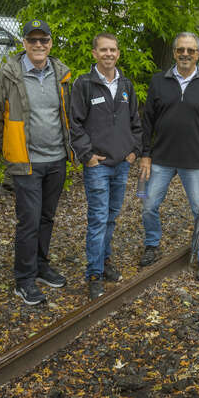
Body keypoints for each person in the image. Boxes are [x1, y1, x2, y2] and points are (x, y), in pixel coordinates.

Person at [0, 19, 72, 306]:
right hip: (26, 163)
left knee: (47, 217)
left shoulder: (60, 74)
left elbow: (67, 113)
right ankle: (24, 279)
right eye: (32, 40)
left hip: (57, 159)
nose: (38, 45)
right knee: (29, 221)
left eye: (43, 40)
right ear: (23, 43)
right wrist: (9, 152)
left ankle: (41, 266)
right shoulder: (8, 75)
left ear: (50, 43)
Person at [139, 32, 199, 281]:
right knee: (147, 205)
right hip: (160, 160)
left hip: (196, 163)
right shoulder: (159, 81)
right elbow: (147, 122)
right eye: (180, 50)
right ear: (174, 53)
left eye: (190, 50)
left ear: (198, 54)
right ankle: (152, 244)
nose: (185, 54)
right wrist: (145, 154)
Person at [70, 33, 142, 299]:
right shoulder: (84, 84)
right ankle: (94, 273)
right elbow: (75, 124)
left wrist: (134, 151)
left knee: (111, 218)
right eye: (103, 50)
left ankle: (105, 262)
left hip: (121, 164)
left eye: (113, 50)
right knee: (98, 219)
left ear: (118, 53)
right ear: (94, 53)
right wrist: (86, 155)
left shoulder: (126, 84)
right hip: (97, 165)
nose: (109, 54)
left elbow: (135, 120)